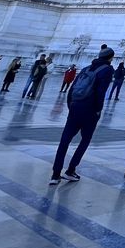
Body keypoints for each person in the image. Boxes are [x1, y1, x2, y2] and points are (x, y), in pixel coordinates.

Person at [49, 47, 114, 185]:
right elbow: (100, 93)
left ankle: (55, 174)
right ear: (110, 58)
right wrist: (98, 110)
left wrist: (71, 105)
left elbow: (72, 88)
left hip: (75, 107)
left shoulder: (86, 69)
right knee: (85, 140)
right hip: (89, 111)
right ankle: (71, 170)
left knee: (64, 141)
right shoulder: (107, 70)